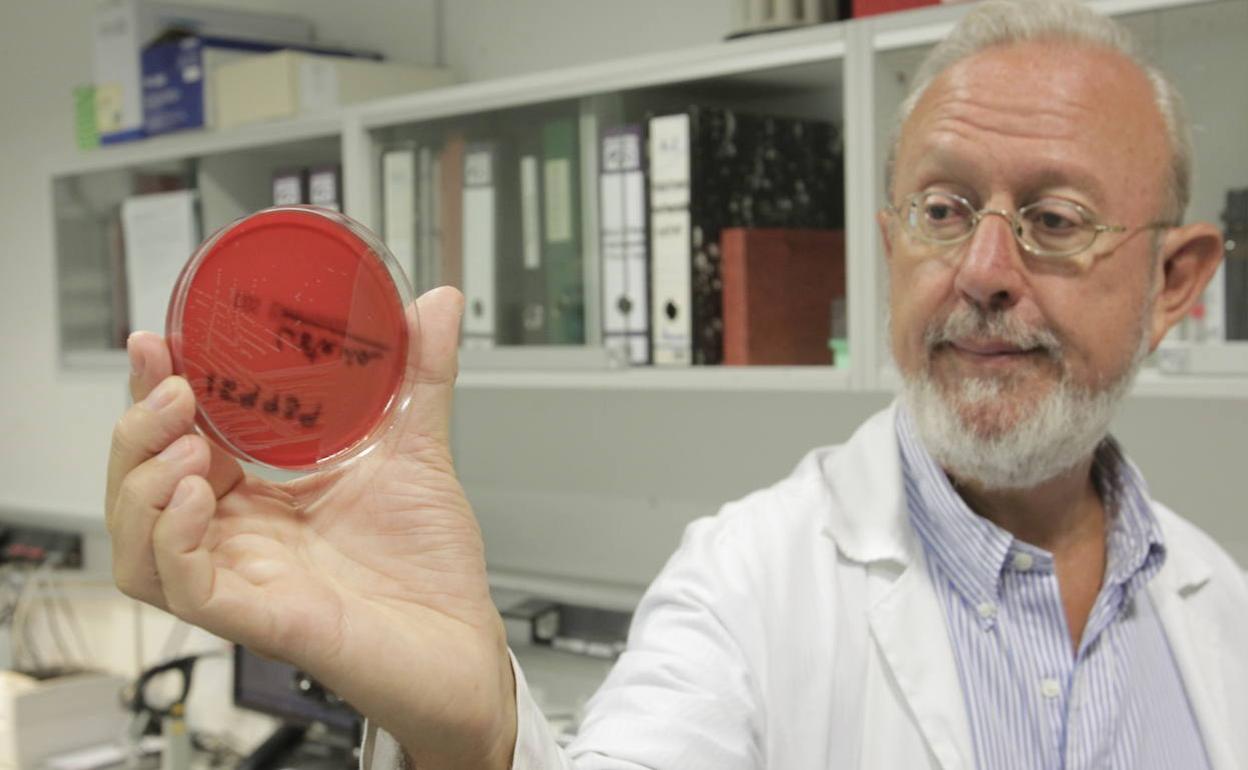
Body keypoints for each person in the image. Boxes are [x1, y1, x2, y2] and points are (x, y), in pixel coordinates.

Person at [106, 0, 1247, 767]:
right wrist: (476, 727)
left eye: (1055, 221)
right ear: (892, 238)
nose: (984, 272)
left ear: (1174, 281)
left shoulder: (1223, 609)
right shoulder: (741, 584)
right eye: (944, 211)